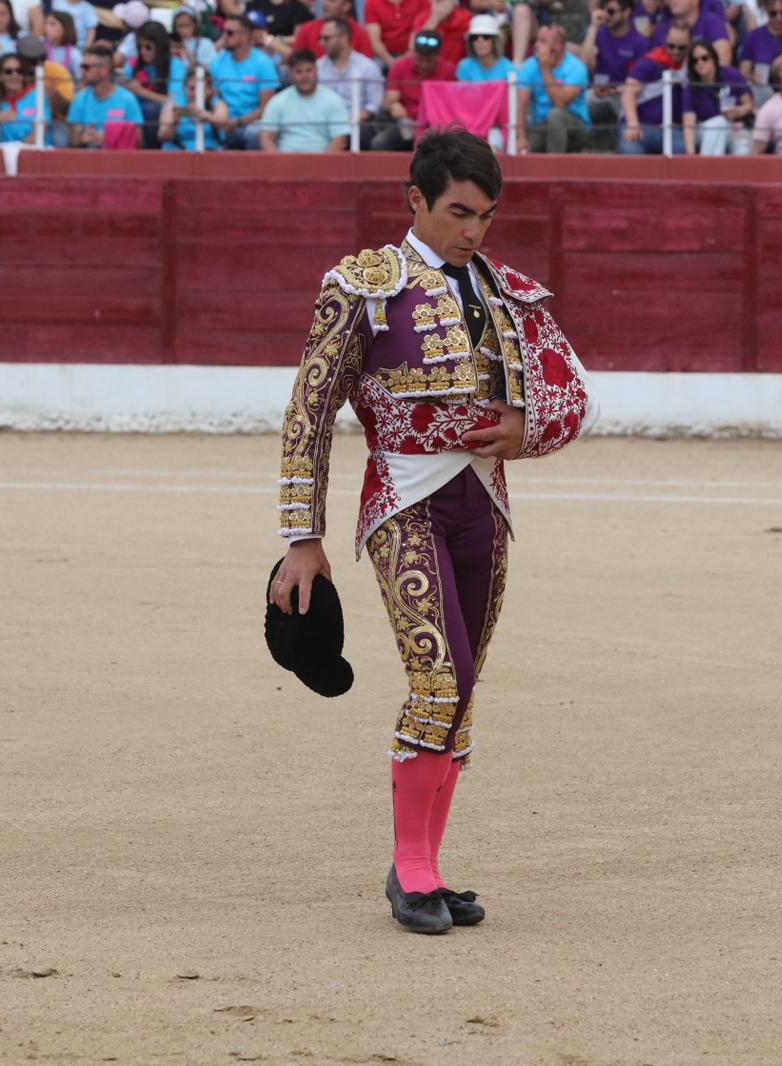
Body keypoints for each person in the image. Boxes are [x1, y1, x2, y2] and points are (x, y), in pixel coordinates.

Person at [271, 128, 595, 936]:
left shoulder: (508, 289)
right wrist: (300, 538)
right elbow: (311, 411)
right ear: (415, 201)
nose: (474, 230)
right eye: (458, 212)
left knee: (462, 693)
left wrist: (529, 430)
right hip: (401, 502)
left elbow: (575, 392)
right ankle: (410, 873)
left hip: (484, 504)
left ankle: (428, 867)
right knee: (438, 683)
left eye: (485, 215)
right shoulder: (365, 285)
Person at [373, 28, 455, 150]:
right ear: (414, 53)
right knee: (380, 143)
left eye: (429, 60)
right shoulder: (400, 66)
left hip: (436, 124)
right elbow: (389, 101)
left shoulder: (448, 70)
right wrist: (393, 106)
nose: (424, 64)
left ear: (438, 56)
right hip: (407, 123)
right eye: (420, 59)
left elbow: (450, 105)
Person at [208, 12, 280, 148]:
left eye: (229, 33)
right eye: (223, 31)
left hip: (250, 123)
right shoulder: (219, 60)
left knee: (254, 132)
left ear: (245, 35)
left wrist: (237, 122)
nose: (224, 37)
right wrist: (219, 117)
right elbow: (211, 93)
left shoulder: (263, 63)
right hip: (222, 122)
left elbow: (266, 108)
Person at [515, 23, 589, 152]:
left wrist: (545, 69)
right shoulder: (529, 65)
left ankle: (554, 166)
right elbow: (520, 104)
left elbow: (560, 103)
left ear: (558, 46)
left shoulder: (576, 67)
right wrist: (521, 137)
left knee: (555, 115)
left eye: (542, 41)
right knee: (527, 148)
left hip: (574, 127)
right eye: (537, 39)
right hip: (541, 125)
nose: (536, 45)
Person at [619, 20, 690, 151]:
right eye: (671, 46)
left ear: (689, 45)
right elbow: (628, 92)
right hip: (641, 127)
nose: (675, 51)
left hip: (672, 130)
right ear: (665, 42)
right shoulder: (650, 61)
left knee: (682, 151)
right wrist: (633, 123)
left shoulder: (692, 67)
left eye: (681, 48)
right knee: (631, 153)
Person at [258, 46, 348, 148]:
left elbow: (341, 139)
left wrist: (323, 163)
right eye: (298, 72)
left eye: (308, 70)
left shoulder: (334, 100)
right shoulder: (277, 101)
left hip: (322, 161)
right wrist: (279, 163)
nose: (304, 76)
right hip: (286, 161)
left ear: (316, 72)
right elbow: (266, 137)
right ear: (290, 75)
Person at [580, 0, 648, 126]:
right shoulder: (599, 33)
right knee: (578, 105)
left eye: (611, 11)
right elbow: (583, 64)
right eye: (604, 10)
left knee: (628, 111)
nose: (606, 15)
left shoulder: (640, 42)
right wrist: (593, 26)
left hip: (622, 95)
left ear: (626, 13)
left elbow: (640, 81)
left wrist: (615, 90)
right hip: (596, 93)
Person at [318, 17, 383, 145]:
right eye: (320, 38)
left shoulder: (367, 66)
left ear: (343, 38)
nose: (321, 43)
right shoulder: (317, 67)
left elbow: (374, 105)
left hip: (356, 123)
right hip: (322, 123)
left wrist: (352, 118)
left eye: (326, 38)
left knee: (360, 133)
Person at [122, 20, 185, 146]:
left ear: (160, 45)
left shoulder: (175, 65)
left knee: (149, 110)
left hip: (163, 119)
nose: (143, 51)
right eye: (139, 47)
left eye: (148, 47)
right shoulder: (132, 64)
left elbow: (174, 102)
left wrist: (141, 92)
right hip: (134, 115)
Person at [683, 35, 751, 152]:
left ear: (714, 59)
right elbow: (689, 125)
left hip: (734, 126)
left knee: (743, 147)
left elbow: (749, 105)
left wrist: (738, 111)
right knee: (718, 123)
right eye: (695, 60)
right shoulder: (691, 87)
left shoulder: (731, 74)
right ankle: (707, 169)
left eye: (704, 58)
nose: (700, 63)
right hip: (704, 129)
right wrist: (691, 155)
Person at [68, 41, 143, 145]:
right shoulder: (79, 99)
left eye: (86, 67)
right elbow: (73, 140)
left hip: (119, 158)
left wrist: (110, 137)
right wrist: (82, 139)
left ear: (103, 70)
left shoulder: (127, 99)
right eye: (81, 66)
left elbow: (138, 140)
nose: (82, 71)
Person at [0, 50, 45, 140]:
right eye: (8, 71)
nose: (15, 75)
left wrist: (20, 149)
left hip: (35, 151)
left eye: (19, 71)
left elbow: (39, 132)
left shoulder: (37, 95)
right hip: (6, 151)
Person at [159, 64, 227, 146]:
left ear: (209, 89)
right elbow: (163, 136)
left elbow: (223, 122)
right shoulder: (173, 103)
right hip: (178, 153)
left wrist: (207, 116)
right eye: (192, 88)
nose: (196, 93)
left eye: (201, 88)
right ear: (184, 88)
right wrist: (174, 123)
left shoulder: (217, 103)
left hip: (210, 152)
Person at [739, 0, 782, 98]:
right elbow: (744, 71)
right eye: (773, 13)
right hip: (764, 90)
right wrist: (753, 77)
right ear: (767, 12)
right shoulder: (754, 36)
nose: (779, 17)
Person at [651, 0, 731, 64]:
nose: (673, 1)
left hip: (703, 81)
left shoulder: (712, 21)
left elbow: (723, 56)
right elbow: (651, 61)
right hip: (668, 80)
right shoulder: (662, 29)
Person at [294, 0, 372, 59]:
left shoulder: (360, 33)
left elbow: (365, 64)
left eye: (331, 0)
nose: (325, 4)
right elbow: (297, 61)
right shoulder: (306, 30)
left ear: (346, 6)